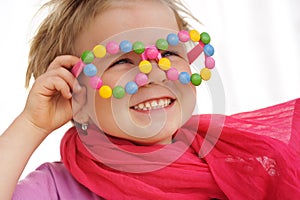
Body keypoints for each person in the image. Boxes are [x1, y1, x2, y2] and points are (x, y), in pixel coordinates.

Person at [0, 0, 299, 199]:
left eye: (168, 53)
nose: (154, 72)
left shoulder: (244, 164)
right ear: (74, 96)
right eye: (120, 61)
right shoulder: (57, 189)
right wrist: (31, 124)